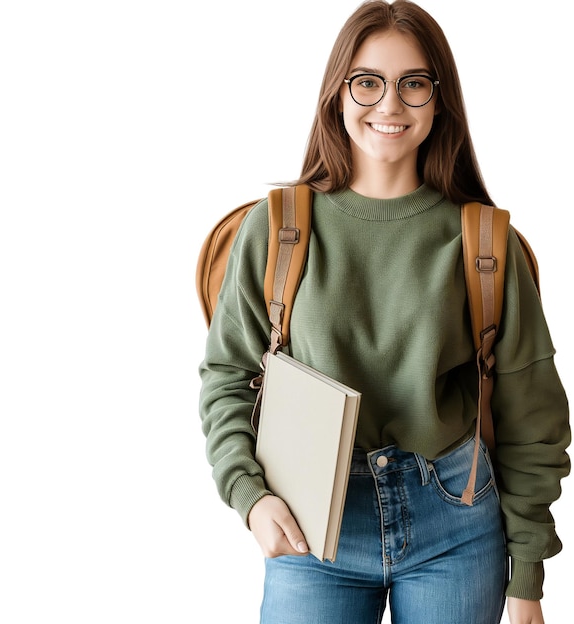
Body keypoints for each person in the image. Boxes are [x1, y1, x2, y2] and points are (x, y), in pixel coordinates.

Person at [198, 1, 570, 622]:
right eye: (367, 81)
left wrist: (527, 577)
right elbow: (228, 376)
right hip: (311, 521)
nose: (390, 104)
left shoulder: (483, 242)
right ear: (336, 95)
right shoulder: (279, 228)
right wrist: (250, 496)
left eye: (413, 84)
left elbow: (532, 415)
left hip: (456, 521)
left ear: (438, 100)